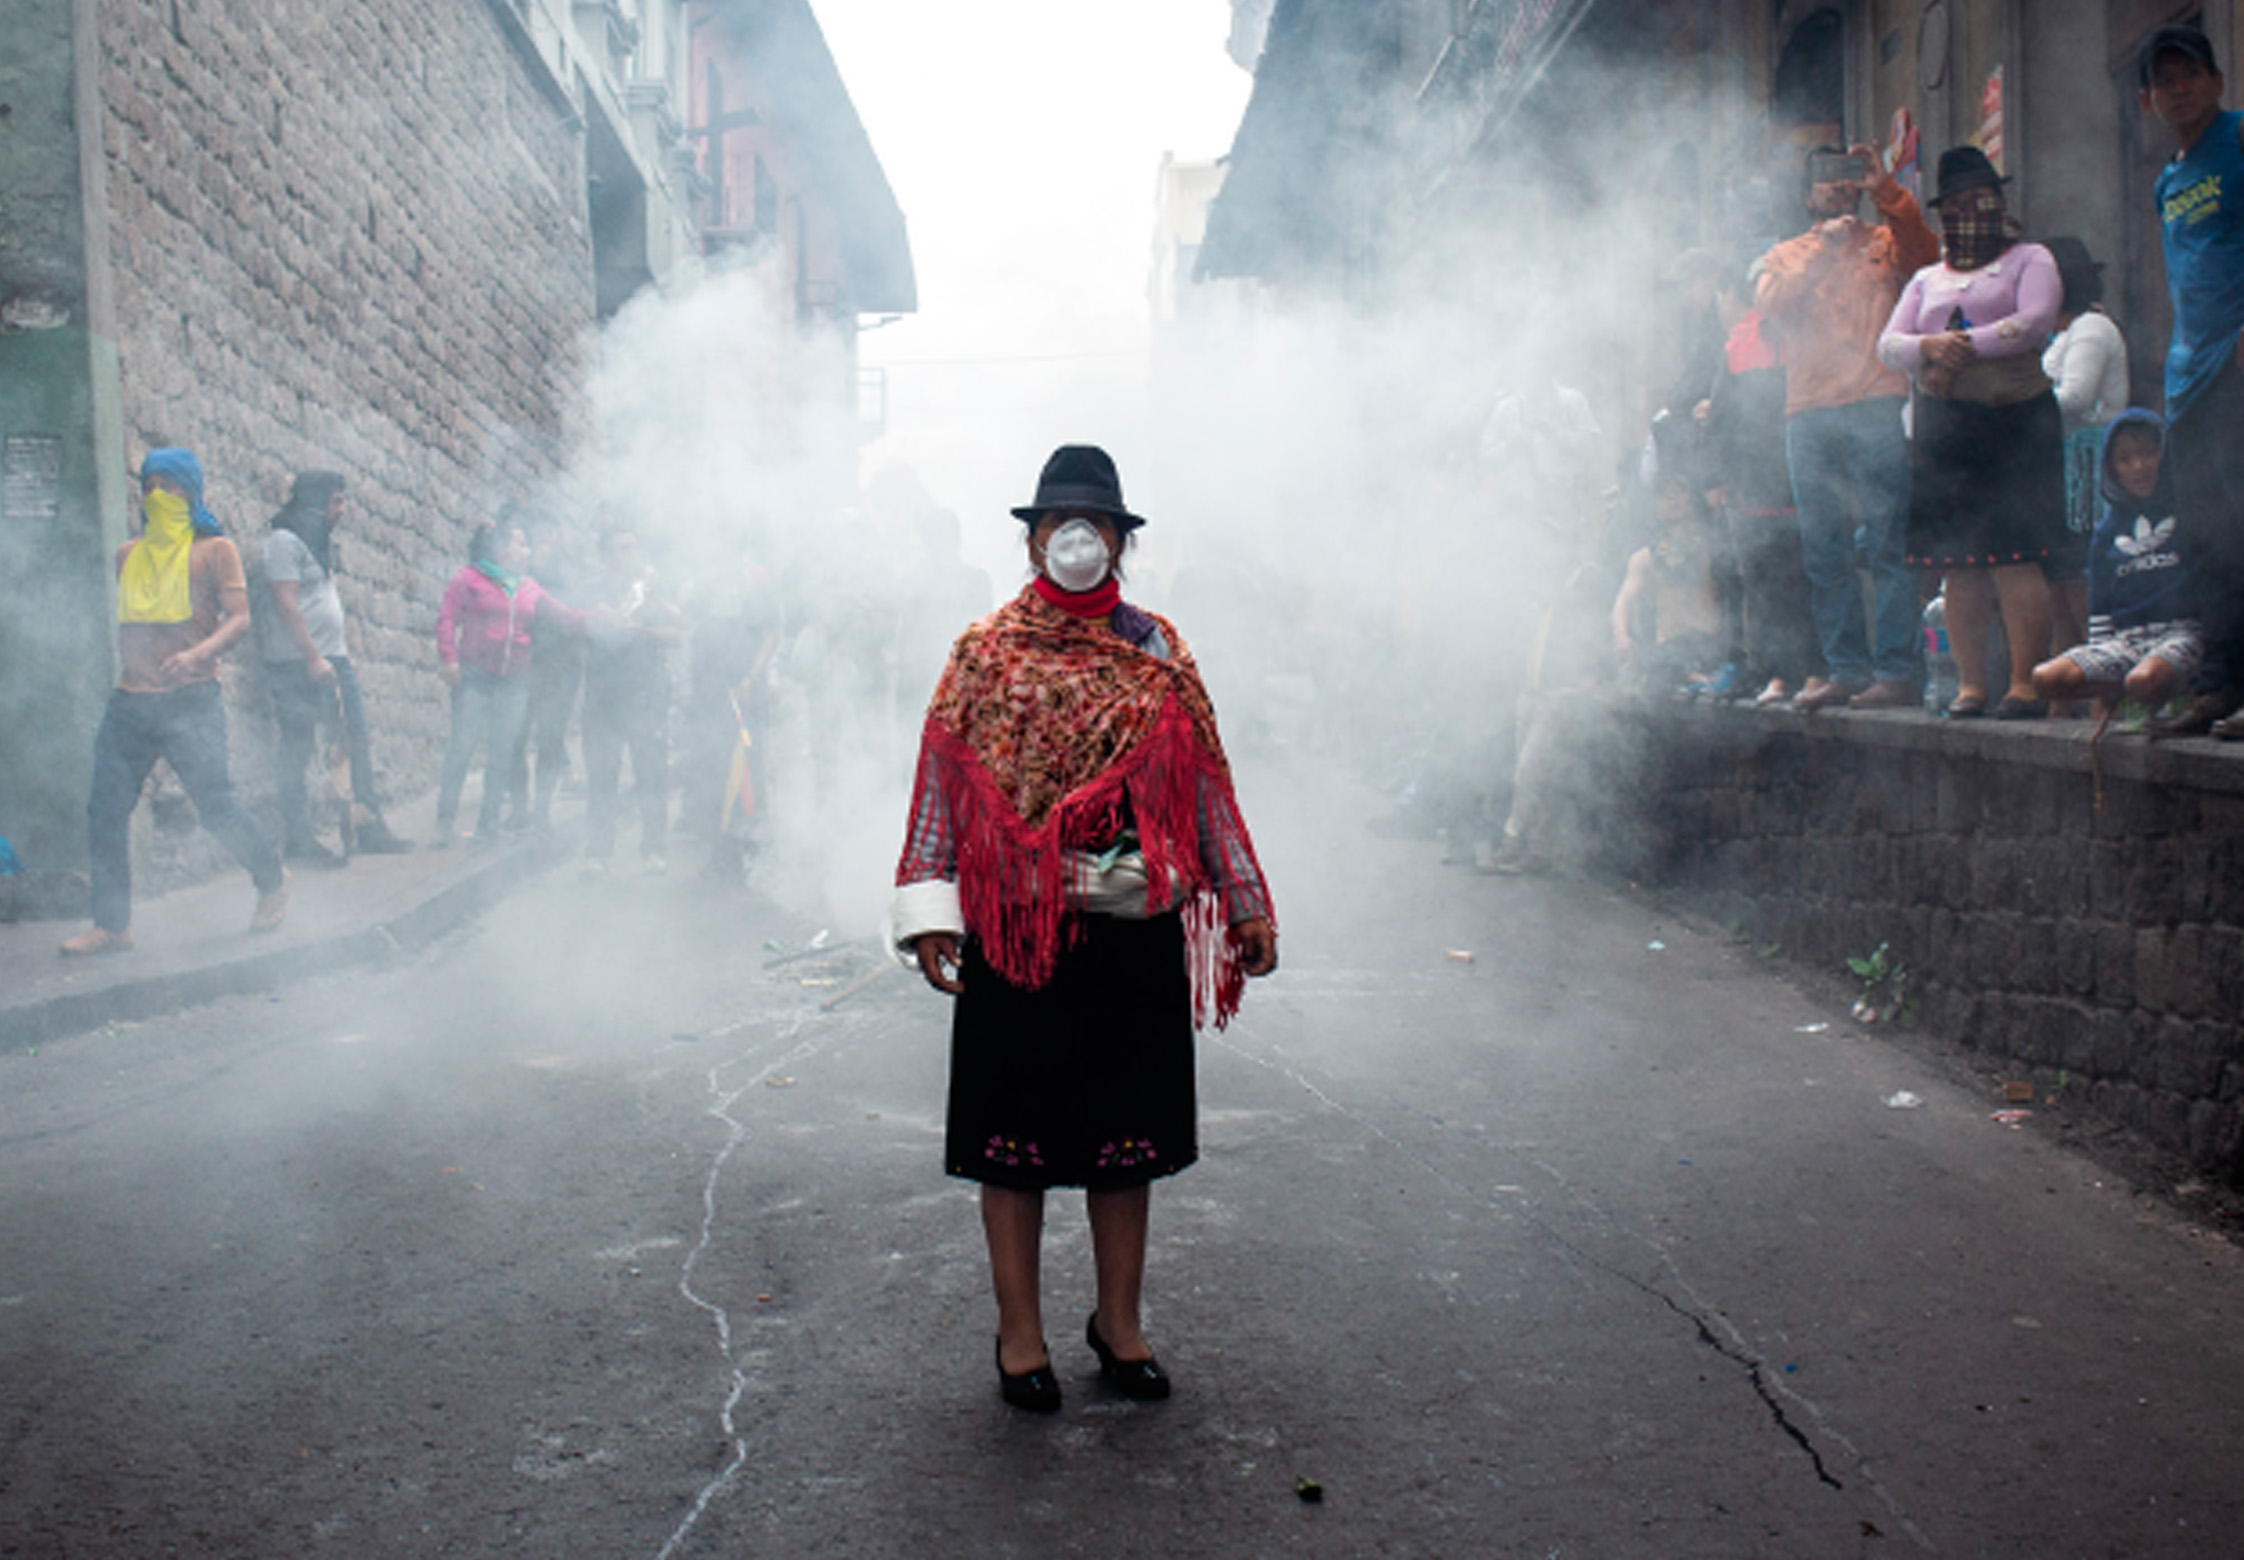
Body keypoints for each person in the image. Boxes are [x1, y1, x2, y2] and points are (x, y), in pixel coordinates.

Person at [889, 444, 1277, 1413]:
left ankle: (1120, 1323)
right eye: (1059, 523)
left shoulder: (1158, 652)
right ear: (1031, 540)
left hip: (1132, 924)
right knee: (1007, 1141)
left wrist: (1244, 901)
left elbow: (1205, 789)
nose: (1076, 540)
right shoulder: (982, 654)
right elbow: (941, 780)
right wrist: (930, 907)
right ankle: (1020, 1338)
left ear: (1119, 542)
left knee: (1125, 1141)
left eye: (1095, 525)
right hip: (1013, 932)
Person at [61, 449, 289, 955]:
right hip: (132, 698)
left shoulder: (215, 550)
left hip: (191, 697)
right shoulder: (128, 555)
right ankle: (113, 924)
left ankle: (271, 880)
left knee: (215, 806)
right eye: (150, 486)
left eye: (171, 485)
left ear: (191, 489)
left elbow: (240, 618)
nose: (159, 496)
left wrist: (197, 654)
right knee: (105, 808)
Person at [1878, 145, 2064, 719]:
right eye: (1956, 204)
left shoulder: (2031, 258)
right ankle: (1969, 685)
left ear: (2000, 204)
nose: (1969, 213)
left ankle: (2024, 682)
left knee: (2016, 554)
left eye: (1980, 201)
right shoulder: (1925, 278)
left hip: (2014, 421)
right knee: (1959, 563)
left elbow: (2033, 322)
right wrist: (1929, 347)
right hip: (1947, 429)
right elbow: (1889, 345)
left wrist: (1962, 347)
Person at [1756, 143, 1941, 710]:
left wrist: (1885, 189)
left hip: (1874, 400)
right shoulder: (1785, 253)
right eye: (1825, 178)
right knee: (1825, 549)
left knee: (1888, 542)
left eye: (1847, 177)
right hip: (1808, 411)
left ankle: (1896, 672)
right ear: (1807, 194)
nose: (1837, 187)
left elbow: (1928, 259)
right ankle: (1846, 669)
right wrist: (1823, 253)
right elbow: (1769, 306)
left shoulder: (1884, 239)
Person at [2132, 26, 2244, 737]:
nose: (2179, 89)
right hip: (2190, 378)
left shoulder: (2239, 139)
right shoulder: (2168, 180)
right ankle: (2221, 684)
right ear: (2147, 101)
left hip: (2236, 359)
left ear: (2217, 81)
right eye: (2165, 82)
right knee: (2208, 536)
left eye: (2189, 76)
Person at [258, 471, 411, 863]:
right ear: (315, 501)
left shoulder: (318, 540)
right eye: (337, 501)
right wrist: (312, 655)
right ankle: (298, 837)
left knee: (355, 739)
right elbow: (285, 601)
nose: (342, 510)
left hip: (332, 657)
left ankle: (368, 826)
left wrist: (336, 651)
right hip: (297, 662)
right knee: (298, 747)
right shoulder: (283, 541)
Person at [1701, 261, 1819, 706]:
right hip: (1751, 481)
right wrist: (1714, 478)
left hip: (1800, 474)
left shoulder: (1806, 330)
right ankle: (1774, 672)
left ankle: (1812, 669)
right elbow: (1721, 415)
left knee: (1805, 579)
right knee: (1761, 584)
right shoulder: (1739, 339)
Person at [2031, 411, 2202, 717]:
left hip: (2182, 635)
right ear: (2112, 469)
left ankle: (2177, 689)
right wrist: (2101, 675)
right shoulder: (2107, 530)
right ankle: (2122, 692)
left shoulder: (2190, 513)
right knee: (2045, 679)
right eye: (2126, 459)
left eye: (2148, 454)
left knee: (2144, 680)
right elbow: (2100, 604)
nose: (2139, 467)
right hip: (2126, 641)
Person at [432, 520, 581, 846]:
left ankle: (488, 825)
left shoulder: (529, 587)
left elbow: (565, 617)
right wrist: (449, 658)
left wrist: (598, 617)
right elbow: (446, 618)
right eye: (520, 543)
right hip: (475, 676)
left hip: (514, 680)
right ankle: (444, 821)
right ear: (502, 549)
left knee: (501, 752)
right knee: (462, 748)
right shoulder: (468, 579)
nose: (526, 550)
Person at [2040, 237, 2131, 661]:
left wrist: (2019, 410)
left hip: (2088, 471)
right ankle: (2069, 677)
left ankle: (2099, 673)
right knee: (2057, 575)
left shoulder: (2092, 328)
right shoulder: (2059, 335)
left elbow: (2075, 396)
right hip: (2060, 469)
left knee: (2081, 573)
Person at [578, 525, 681, 875]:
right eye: (619, 549)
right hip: (602, 695)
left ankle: (654, 850)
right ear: (605, 556)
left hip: (647, 694)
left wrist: (647, 629)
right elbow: (574, 629)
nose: (627, 555)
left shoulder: (653, 589)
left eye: (632, 548)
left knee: (651, 775)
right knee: (601, 775)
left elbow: (678, 632)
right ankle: (598, 853)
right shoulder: (591, 590)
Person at [1610, 474, 1726, 696]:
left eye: (1679, 491)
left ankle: (1695, 675)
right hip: (1670, 650)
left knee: (1655, 666)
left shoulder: (1714, 546)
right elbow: (1621, 603)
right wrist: (1621, 636)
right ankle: (1690, 676)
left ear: (1691, 500)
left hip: (1708, 644)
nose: (1673, 498)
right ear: (1655, 508)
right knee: (1645, 664)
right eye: (1664, 494)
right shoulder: (1644, 557)